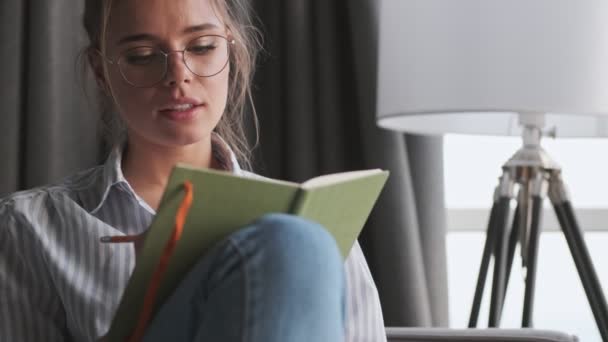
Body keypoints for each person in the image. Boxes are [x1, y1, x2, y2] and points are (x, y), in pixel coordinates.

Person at [0, 0, 386, 341]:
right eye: (142, 55)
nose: (178, 75)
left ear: (231, 51)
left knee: (298, 243)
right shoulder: (30, 227)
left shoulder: (316, 222)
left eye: (202, 47)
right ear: (101, 72)